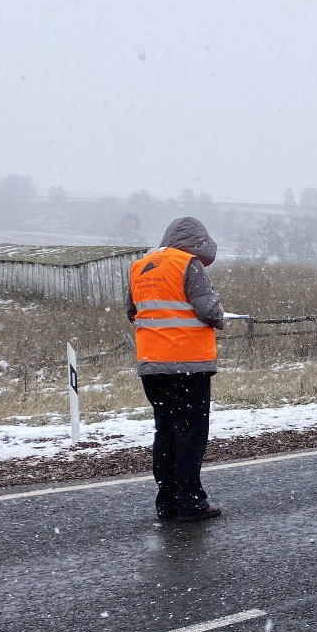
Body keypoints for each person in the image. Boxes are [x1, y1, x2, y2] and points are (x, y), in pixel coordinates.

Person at [125, 217, 225, 522]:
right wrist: (219, 315)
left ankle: (166, 502)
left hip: (152, 366)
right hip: (189, 365)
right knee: (190, 433)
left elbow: (132, 311)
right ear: (196, 243)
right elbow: (207, 310)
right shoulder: (187, 264)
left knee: (165, 432)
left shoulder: (139, 266)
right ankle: (191, 502)